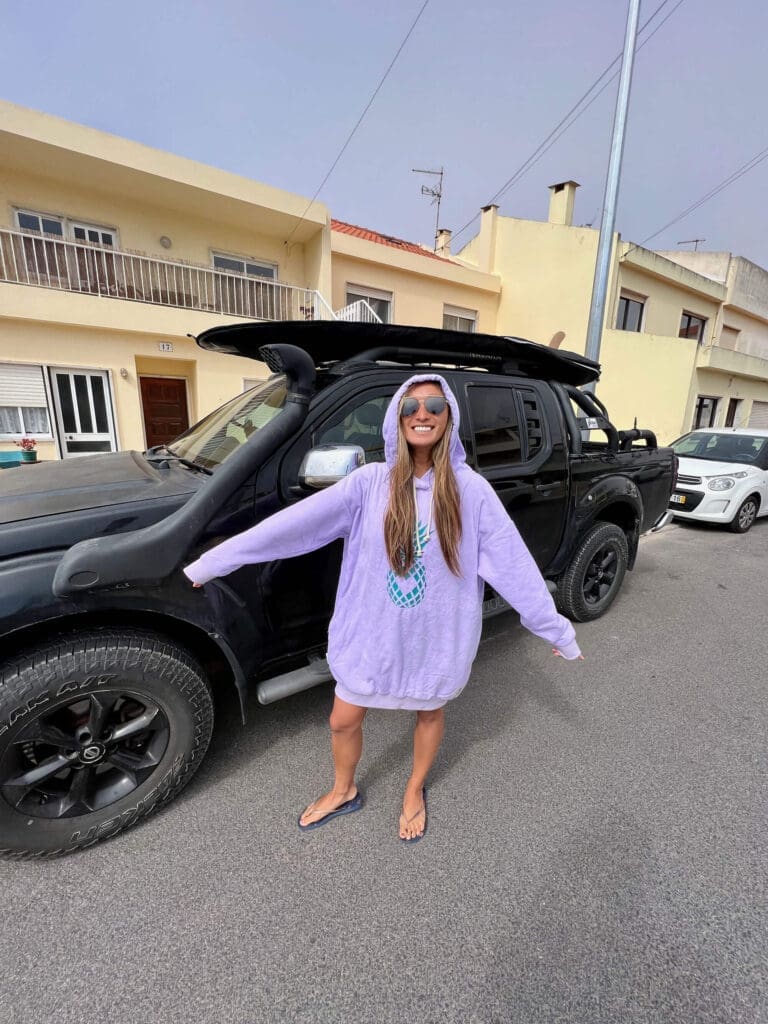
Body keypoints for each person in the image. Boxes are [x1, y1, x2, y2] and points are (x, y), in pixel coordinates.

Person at [184, 374, 583, 843]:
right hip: (370, 636)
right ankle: (343, 788)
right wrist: (212, 562)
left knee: (429, 714)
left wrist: (556, 630)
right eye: (411, 407)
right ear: (396, 418)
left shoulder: (469, 491)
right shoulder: (369, 484)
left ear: (449, 417)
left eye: (435, 404)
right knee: (343, 718)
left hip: (434, 641)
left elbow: (514, 567)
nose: (423, 414)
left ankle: (414, 790)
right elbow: (292, 525)